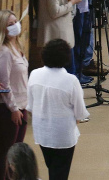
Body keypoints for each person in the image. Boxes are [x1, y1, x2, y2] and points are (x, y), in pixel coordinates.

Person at [27, 39, 90, 180]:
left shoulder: (34, 74)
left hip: (42, 133)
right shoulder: (71, 80)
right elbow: (80, 113)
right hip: (63, 135)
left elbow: (30, 107)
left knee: (53, 167)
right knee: (60, 172)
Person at [0, 10, 29, 180]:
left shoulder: (18, 47)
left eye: (15, 22)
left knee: (16, 151)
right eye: (10, 24)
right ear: (2, 29)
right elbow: (3, 85)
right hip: (8, 108)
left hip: (22, 106)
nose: (15, 26)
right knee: (7, 150)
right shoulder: (4, 52)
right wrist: (13, 108)